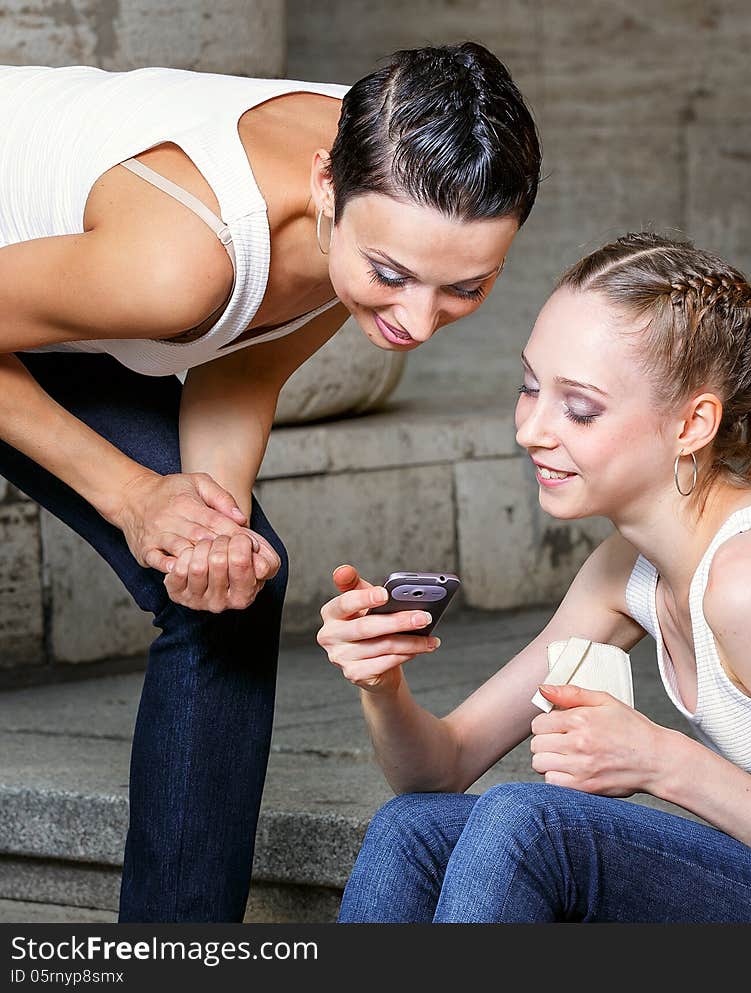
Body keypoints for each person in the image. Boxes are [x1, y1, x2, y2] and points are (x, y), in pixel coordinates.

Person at [0, 43, 541, 922]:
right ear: (325, 184)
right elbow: (201, 297)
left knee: (232, 582)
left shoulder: (392, 163)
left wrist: (210, 529)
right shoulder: (177, 262)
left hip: (55, 291)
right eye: (391, 278)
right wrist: (135, 497)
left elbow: (239, 368)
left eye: (465, 289)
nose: (416, 320)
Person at [317, 231, 751, 923]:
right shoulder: (626, 569)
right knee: (413, 827)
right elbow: (440, 768)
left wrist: (663, 762)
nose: (532, 429)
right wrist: (382, 684)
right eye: (529, 387)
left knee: (531, 824)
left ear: (692, 423)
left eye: (579, 407)